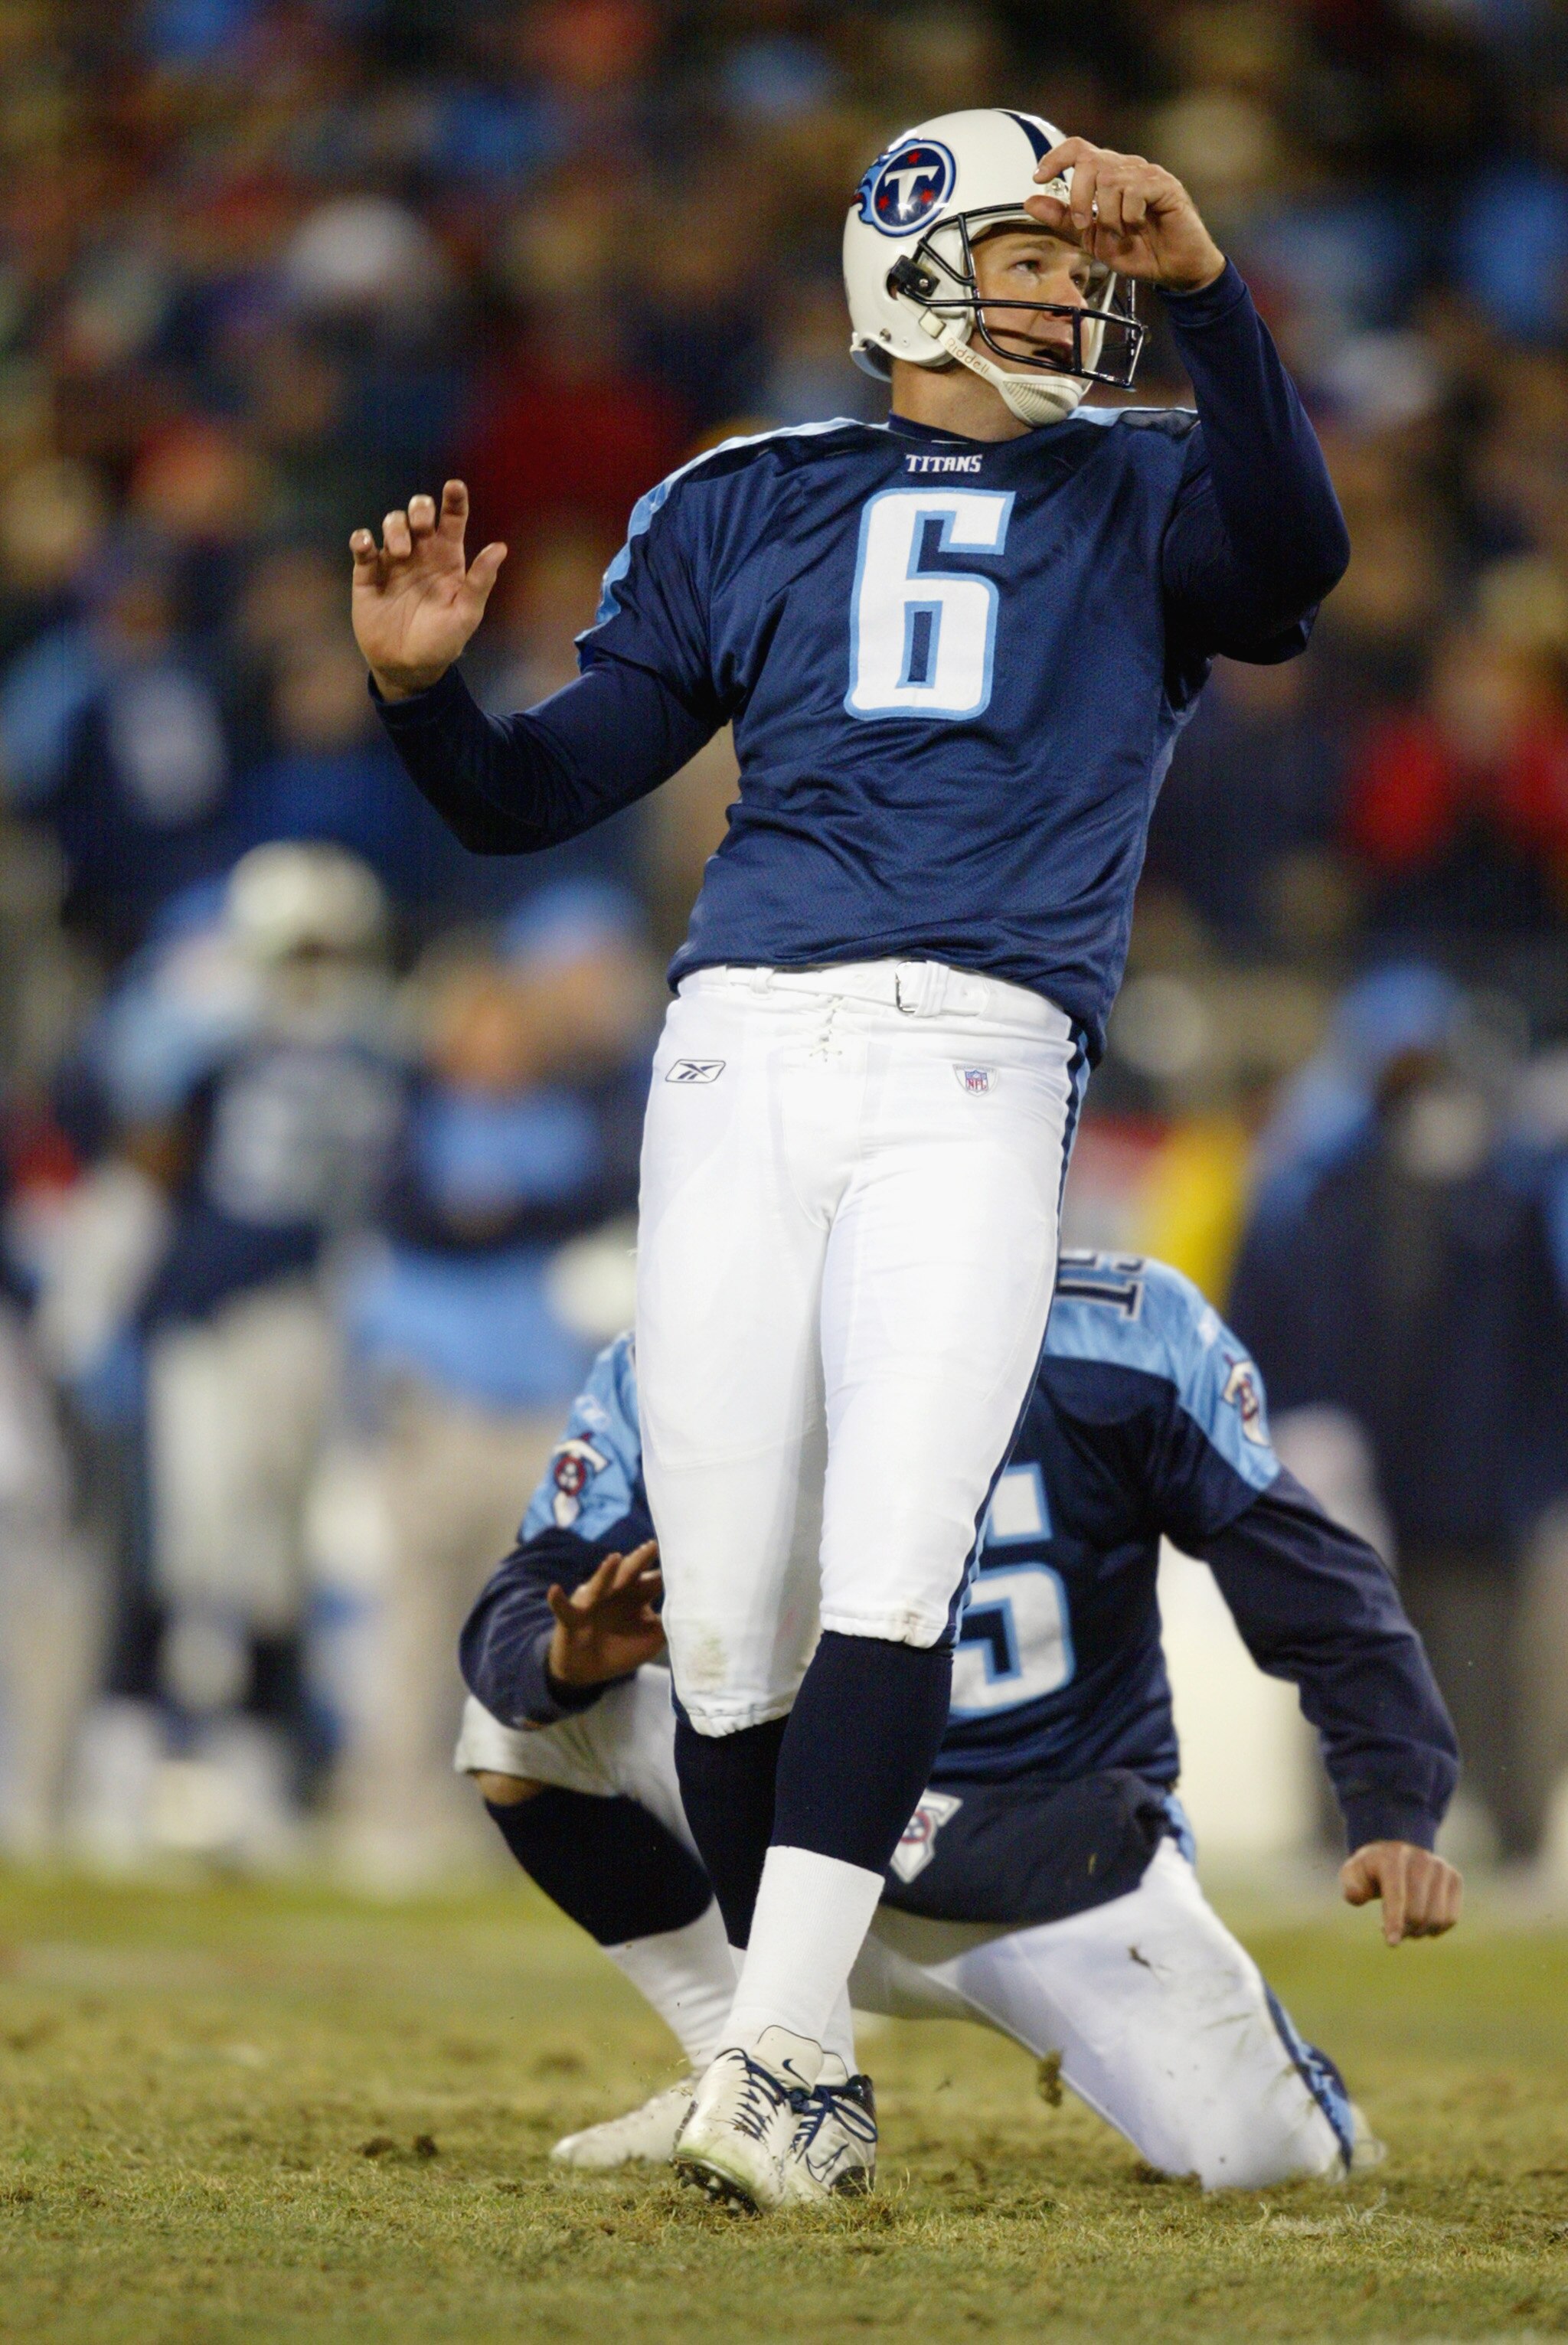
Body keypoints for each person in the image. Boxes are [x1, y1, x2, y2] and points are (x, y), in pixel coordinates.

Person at [349, 110, 1348, 2208]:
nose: (1072, 285)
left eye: (1084, 264)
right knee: (725, 1616)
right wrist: (422, 704)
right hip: (739, 1048)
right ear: (908, 272)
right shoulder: (745, 499)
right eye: (1032, 254)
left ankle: (788, 2067)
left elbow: (1298, 568)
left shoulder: (1152, 474)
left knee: (894, 1551)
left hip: (983, 1058)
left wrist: (1208, 285)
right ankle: (784, 2057)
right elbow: (539, 795)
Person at [453, 1253, 1459, 2200]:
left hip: (1054, 1869)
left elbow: (1314, 1589)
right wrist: (563, 1659)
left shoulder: (1121, 1336)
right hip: (796, 1839)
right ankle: (749, 2063)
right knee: (514, 1727)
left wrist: (1393, 1797)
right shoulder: (690, 1356)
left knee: (1280, 2162)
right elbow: (521, 1598)